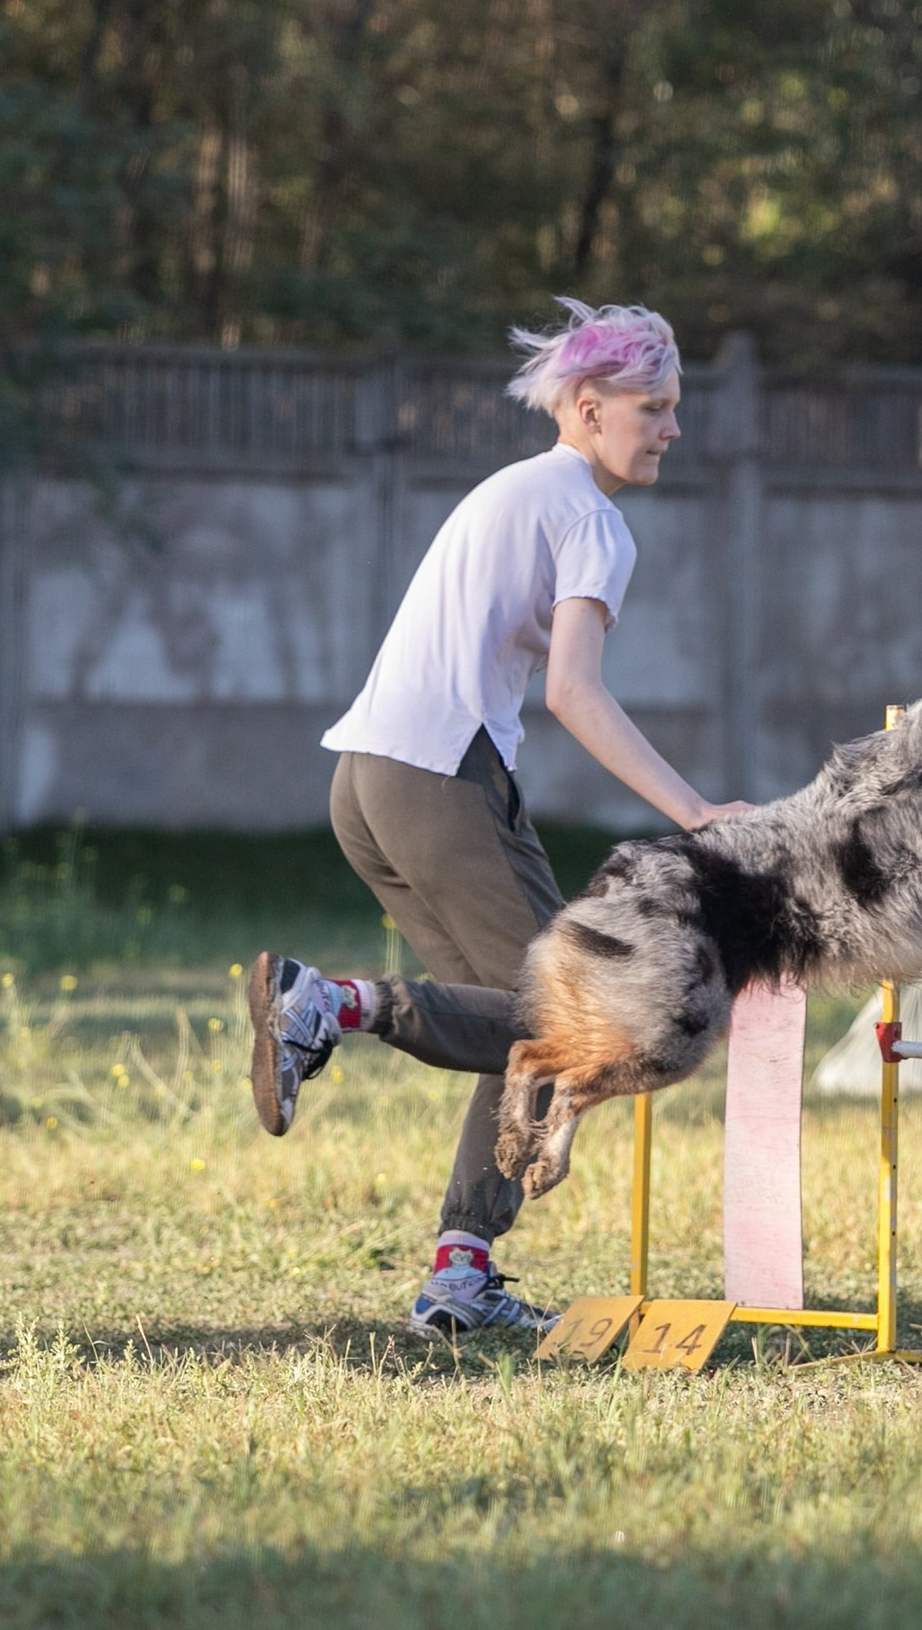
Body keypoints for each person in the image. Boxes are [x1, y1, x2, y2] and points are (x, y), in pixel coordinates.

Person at [245, 298, 753, 1339]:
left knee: (513, 1027)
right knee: (573, 1023)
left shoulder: (515, 488)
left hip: (367, 782)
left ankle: (461, 1274)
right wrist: (697, 812)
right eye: (652, 408)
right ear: (586, 405)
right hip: (442, 779)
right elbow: (575, 691)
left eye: (673, 408)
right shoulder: (591, 521)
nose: (670, 429)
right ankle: (326, 1007)